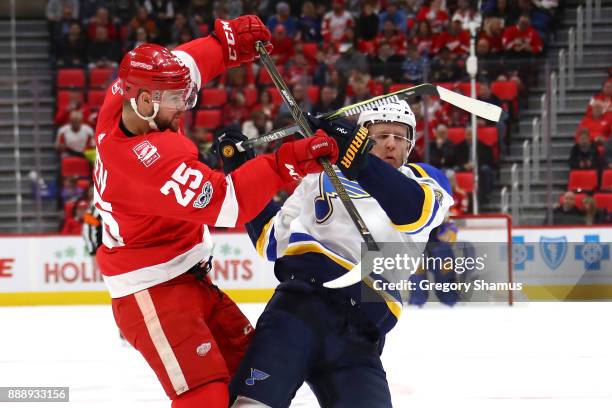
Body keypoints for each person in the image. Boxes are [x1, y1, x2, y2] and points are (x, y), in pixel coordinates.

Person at [92, 15, 341, 408]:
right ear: (143, 101)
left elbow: (184, 65)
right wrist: (283, 163)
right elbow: (230, 205)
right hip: (153, 291)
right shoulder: (145, 161)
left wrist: (223, 45)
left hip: (189, 279)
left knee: (254, 382)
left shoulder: (122, 102)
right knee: (204, 396)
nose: (183, 109)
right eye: (176, 100)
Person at [226, 101, 453, 407]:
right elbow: (269, 240)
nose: (391, 143)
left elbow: (412, 211)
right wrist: (242, 172)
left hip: (360, 334)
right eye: (382, 134)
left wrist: (357, 156)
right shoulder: (319, 176)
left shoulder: (425, 180)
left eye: (400, 137)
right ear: (362, 135)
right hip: (296, 311)